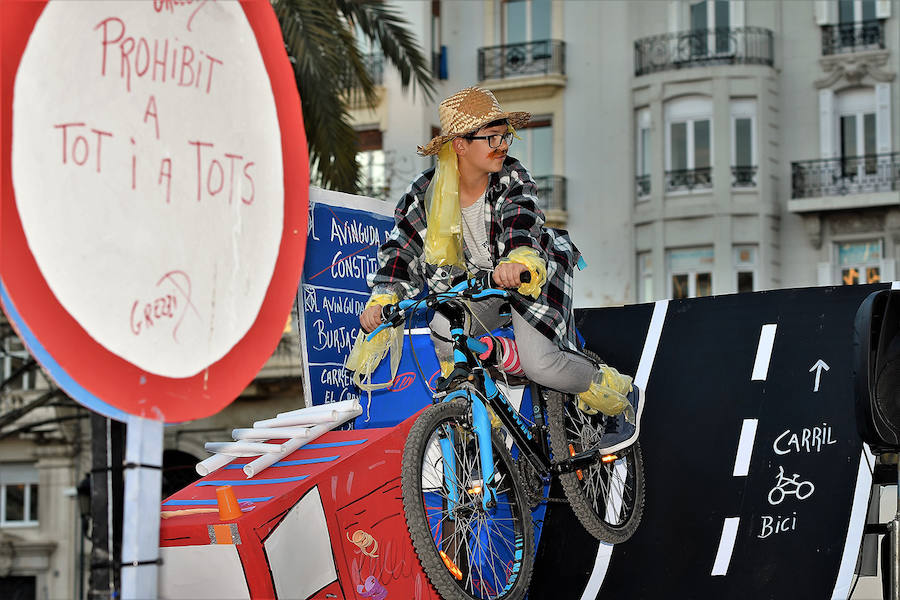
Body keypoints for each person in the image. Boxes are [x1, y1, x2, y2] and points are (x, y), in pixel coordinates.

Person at [357, 86, 640, 453]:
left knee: (540, 364)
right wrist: (383, 297)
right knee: (444, 329)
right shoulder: (424, 192)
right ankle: (487, 432)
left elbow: (519, 220)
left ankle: (620, 397)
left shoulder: (511, 177)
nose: (503, 144)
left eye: (504, 134)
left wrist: (518, 260)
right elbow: (401, 249)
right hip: (475, 288)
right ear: (459, 145)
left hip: (528, 276)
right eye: (492, 137)